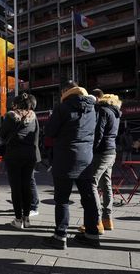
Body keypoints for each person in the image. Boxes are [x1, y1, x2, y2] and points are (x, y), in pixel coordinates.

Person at [42, 83, 99, 249]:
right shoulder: (93, 108)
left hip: (65, 157)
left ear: (65, 92)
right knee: (88, 198)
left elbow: (50, 132)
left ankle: (60, 236)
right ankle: (92, 234)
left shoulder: (62, 107)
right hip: (86, 158)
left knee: (62, 199)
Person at [0, 93, 41, 229]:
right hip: (29, 155)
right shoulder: (34, 117)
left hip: (14, 155)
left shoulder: (10, 116)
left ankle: (18, 220)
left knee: (16, 187)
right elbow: (36, 136)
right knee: (27, 185)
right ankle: (27, 219)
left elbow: (2, 133)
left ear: (16, 104)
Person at [91, 94, 121, 232]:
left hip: (101, 152)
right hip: (111, 152)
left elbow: (98, 133)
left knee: (91, 182)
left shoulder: (103, 111)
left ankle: (95, 221)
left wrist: (92, 149)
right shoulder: (116, 113)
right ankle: (107, 219)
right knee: (106, 185)